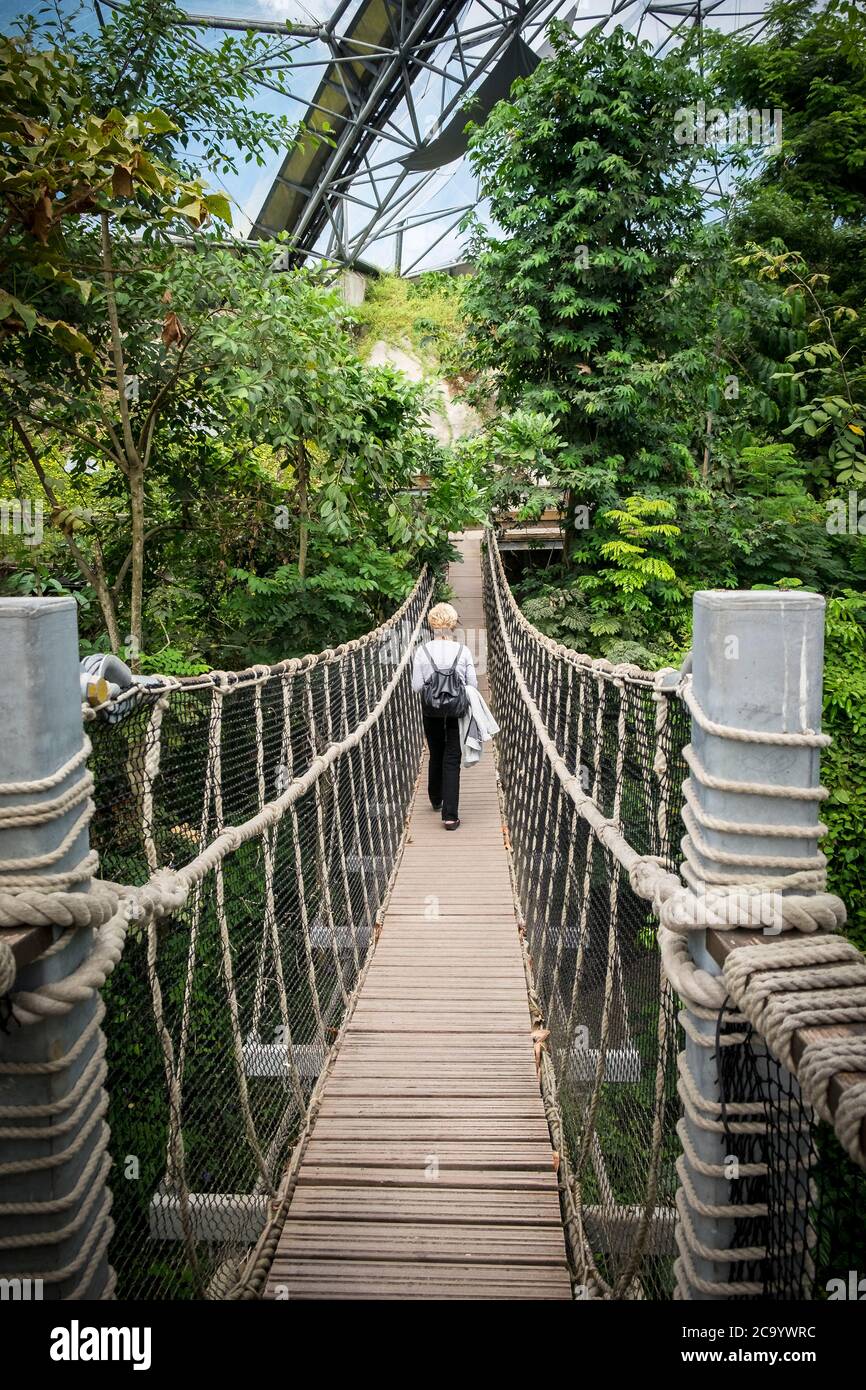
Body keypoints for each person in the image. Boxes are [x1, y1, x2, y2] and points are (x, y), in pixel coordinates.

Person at [411, 602, 477, 830]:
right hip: (456, 711)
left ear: (431, 624)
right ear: (452, 624)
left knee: (436, 753)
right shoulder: (463, 651)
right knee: (452, 757)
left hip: (431, 710)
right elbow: (472, 685)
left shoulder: (422, 651)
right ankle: (450, 816)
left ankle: (435, 798)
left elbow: (416, 686)